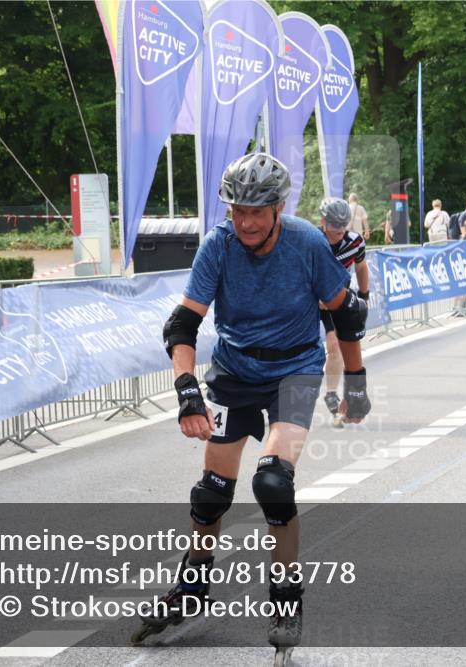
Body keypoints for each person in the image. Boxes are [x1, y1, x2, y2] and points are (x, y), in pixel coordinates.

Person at [135, 154, 372, 656]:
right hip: (235, 370)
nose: (244, 221)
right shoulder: (218, 246)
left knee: (272, 482)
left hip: (295, 370)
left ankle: (286, 600)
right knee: (211, 494)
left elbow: (346, 316)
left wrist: (355, 382)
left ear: (279, 207)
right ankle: (192, 587)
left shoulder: (307, 242)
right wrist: (186, 392)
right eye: (237, 209)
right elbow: (182, 325)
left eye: (256, 212)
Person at [317, 197, 369, 428]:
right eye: (333, 226)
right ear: (323, 222)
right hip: (314, 300)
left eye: (343, 226)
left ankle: (333, 394)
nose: (338, 232)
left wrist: (364, 295)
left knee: (335, 345)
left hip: (338, 298)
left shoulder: (355, 241)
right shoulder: (314, 240)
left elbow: (361, 266)